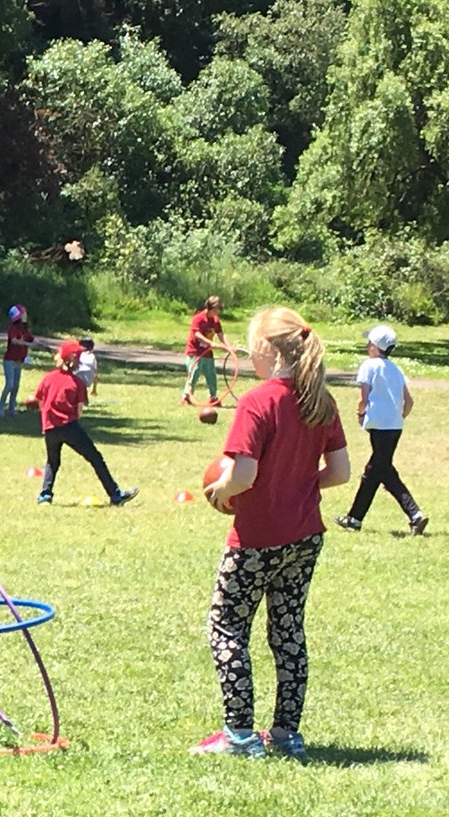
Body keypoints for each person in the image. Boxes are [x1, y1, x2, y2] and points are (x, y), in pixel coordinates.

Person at [193, 306, 351, 760]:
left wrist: (221, 490)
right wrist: (298, 484)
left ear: (267, 350)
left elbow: (243, 475)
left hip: (256, 539)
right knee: (288, 630)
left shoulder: (257, 402)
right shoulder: (320, 400)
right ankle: (286, 734)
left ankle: (240, 736)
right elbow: (340, 472)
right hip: (304, 537)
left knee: (227, 628)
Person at [333, 325, 428, 536]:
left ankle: (415, 514)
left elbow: (364, 397)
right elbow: (409, 401)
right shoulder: (396, 369)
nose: (368, 346)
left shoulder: (369, 366)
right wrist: (399, 417)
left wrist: (360, 413)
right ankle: (354, 519)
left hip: (378, 425)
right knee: (375, 470)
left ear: (376, 346)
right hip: (394, 426)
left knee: (382, 469)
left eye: (370, 343)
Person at [34, 340, 138, 506]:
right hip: (70, 427)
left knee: (52, 461)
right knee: (95, 458)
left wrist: (48, 419)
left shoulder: (48, 378)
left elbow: (40, 401)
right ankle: (115, 495)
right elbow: (78, 411)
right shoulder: (78, 383)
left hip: (50, 428)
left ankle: (45, 495)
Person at [181, 296, 231, 406]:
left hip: (207, 353)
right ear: (211, 308)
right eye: (217, 308)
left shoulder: (215, 320)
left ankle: (213, 397)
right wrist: (211, 343)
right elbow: (197, 334)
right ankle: (186, 396)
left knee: (211, 375)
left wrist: (228, 347)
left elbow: (221, 335)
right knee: (194, 374)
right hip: (195, 352)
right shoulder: (198, 318)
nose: (219, 311)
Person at [0, 304, 35, 416]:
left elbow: (32, 340)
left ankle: (11, 409)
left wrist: (43, 346)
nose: (26, 315)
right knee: (9, 385)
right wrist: (27, 343)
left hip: (19, 361)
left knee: (16, 386)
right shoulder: (13, 329)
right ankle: (0, 408)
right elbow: (14, 340)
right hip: (9, 360)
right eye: (24, 313)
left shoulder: (25, 330)